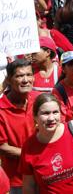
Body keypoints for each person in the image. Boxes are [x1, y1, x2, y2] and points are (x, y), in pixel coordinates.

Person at [20, 93, 73, 193]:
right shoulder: (29, 147)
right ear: (35, 116)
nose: (51, 118)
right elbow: (29, 187)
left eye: (55, 112)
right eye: (45, 113)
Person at [0, 59, 38, 192]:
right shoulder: (1, 109)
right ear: (9, 80)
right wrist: (34, 155)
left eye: (29, 75)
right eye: (20, 76)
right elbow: (2, 148)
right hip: (16, 181)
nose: (26, 80)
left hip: (43, 175)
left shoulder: (39, 100)